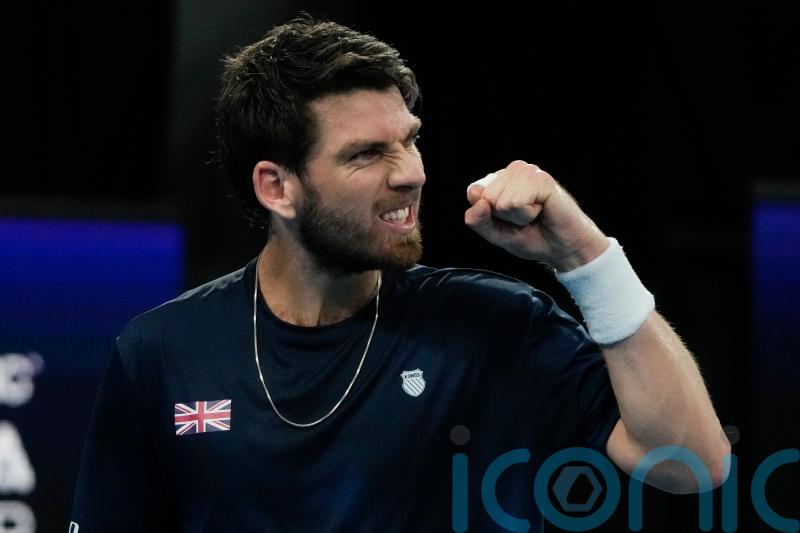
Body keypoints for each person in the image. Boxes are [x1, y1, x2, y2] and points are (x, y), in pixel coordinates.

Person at [70, 14, 730, 532]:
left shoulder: (498, 325)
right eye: (367, 153)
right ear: (277, 187)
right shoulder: (160, 353)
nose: (410, 171)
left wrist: (585, 256)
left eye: (410, 138)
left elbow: (693, 463)